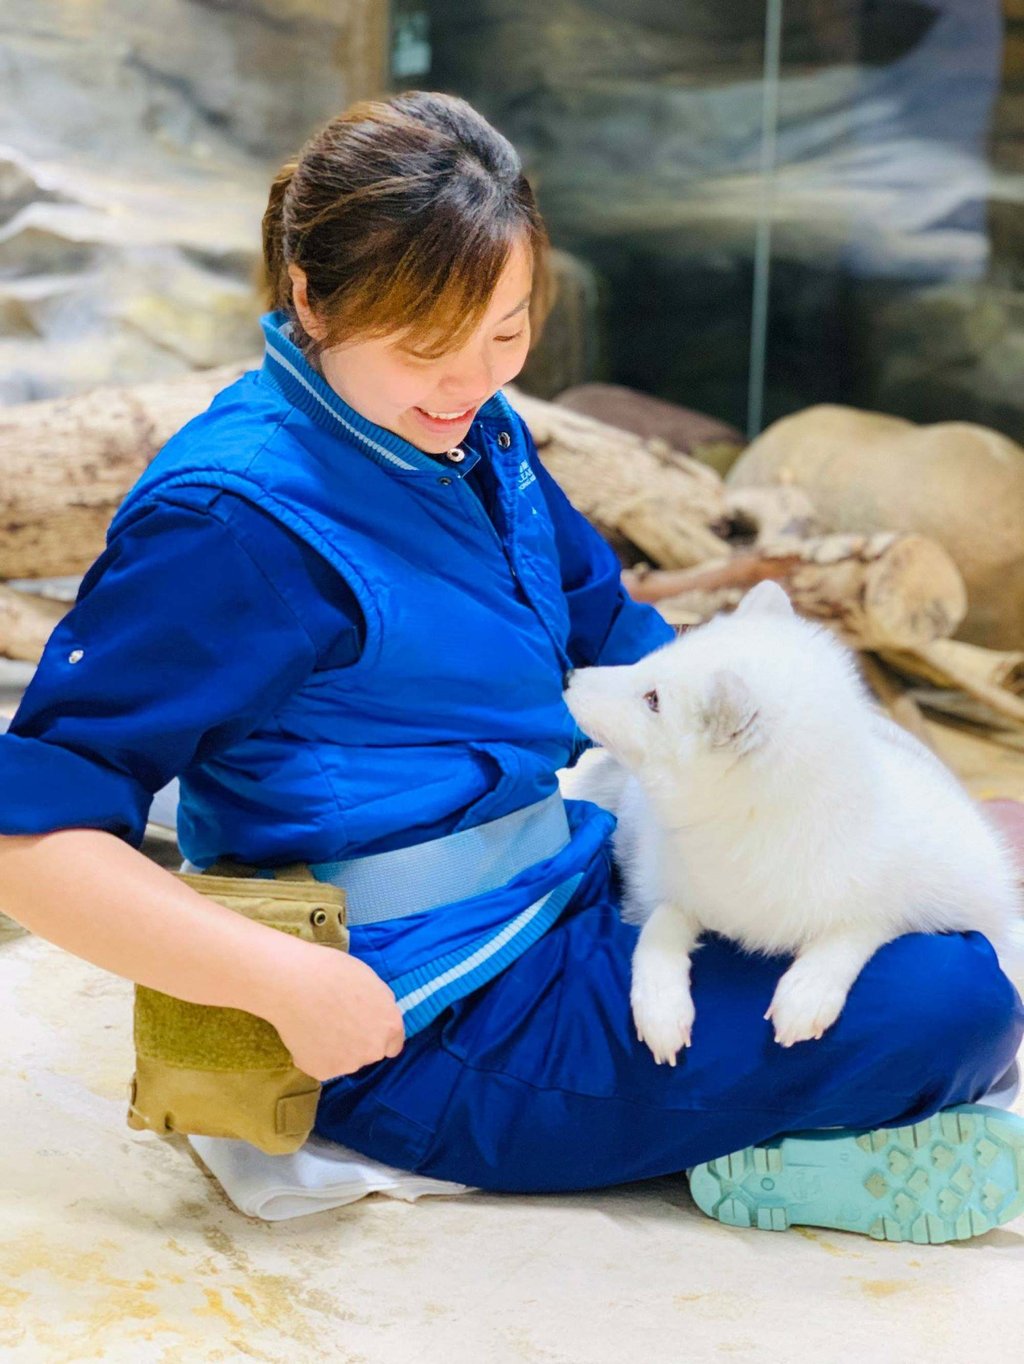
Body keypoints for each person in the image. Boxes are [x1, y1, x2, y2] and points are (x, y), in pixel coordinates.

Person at [1, 90, 1022, 1244]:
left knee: (940, 918)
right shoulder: (232, 527)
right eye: (423, 347)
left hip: (561, 887)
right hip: (421, 1010)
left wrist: (833, 774)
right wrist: (283, 985)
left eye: (506, 331)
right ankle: (777, 1153)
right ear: (307, 299)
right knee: (955, 1004)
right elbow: (28, 834)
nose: (468, 382)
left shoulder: (472, 430)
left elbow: (605, 621)